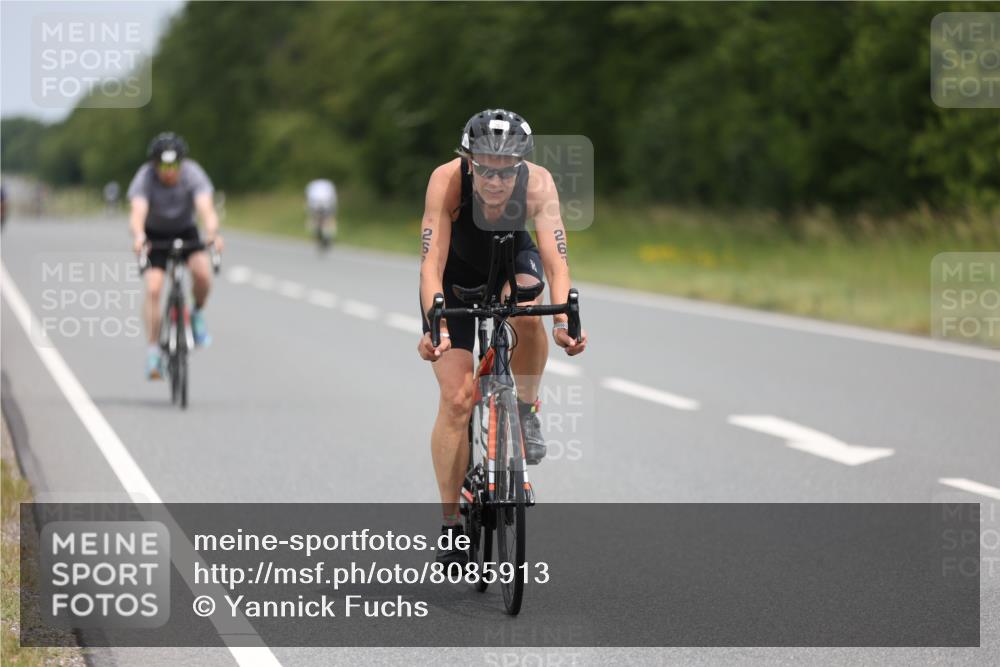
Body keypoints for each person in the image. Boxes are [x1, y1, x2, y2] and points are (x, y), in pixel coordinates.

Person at [417, 109, 588, 564]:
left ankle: (526, 409)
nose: (495, 181)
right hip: (454, 278)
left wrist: (564, 322)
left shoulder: (538, 183)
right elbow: (431, 264)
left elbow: (556, 263)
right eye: (485, 169)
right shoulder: (446, 181)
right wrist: (437, 326)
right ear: (468, 161)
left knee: (529, 312)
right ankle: (451, 525)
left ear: (520, 165)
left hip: (512, 262)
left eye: (506, 170)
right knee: (457, 399)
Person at [127, 132, 223, 379]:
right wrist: (139, 236)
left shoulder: (193, 173)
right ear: (154, 164)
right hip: (155, 234)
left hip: (185, 230)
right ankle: (153, 352)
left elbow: (206, 208)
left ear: (181, 163)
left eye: (174, 165)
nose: (169, 172)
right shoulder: (145, 177)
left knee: (202, 273)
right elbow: (137, 212)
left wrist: (212, 233)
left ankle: (197, 313)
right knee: (154, 289)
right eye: (163, 166)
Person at [305, 178, 337, 247]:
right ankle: (328, 234)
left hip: (314, 204)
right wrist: (334, 209)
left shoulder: (312, 184)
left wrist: (309, 210)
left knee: (315, 219)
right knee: (328, 219)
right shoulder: (329, 184)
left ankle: (318, 232)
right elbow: (333, 197)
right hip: (326, 204)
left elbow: (308, 197)